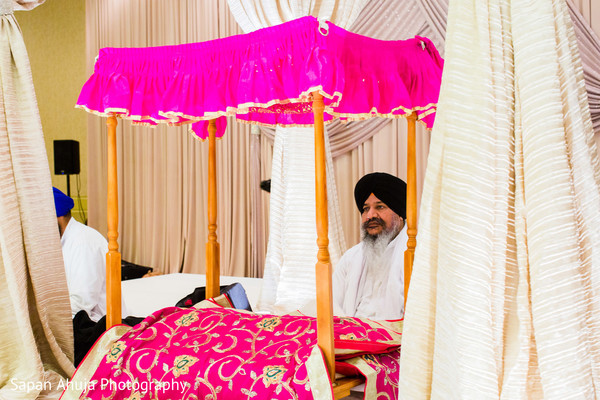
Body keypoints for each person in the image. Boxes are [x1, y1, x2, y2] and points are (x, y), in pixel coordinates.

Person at [333, 172, 407, 320]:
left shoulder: (415, 255)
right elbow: (333, 308)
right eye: (365, 208)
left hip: (398, 340)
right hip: (351, 336)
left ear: (400, 213)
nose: (370, 215)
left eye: (380, 207)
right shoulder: (350, 258)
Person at [53, 187, 107, 322]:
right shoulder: (61, 241)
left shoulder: (83, 242)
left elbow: (82, 303)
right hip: (72, 320)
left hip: (95, 326)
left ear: (58, 216)